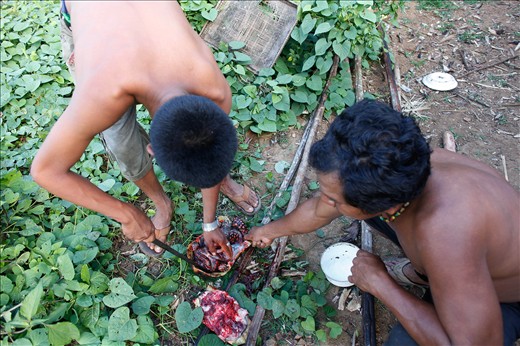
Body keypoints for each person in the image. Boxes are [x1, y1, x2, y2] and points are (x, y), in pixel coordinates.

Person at [246, 100, 520, 345]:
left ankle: (430, 277)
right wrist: (266, 231)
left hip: (504, 300)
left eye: (333, 199)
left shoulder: (446, 233)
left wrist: (380, 283)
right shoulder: (399, 164)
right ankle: (423, 274)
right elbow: (320, 210)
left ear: (384, 205)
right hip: (460, 266)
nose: (326, 202)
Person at [30, 1, 260, 258]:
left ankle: (219, 182)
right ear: (151, 149)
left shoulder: (214, 90)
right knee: (121, 144)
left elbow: (208, 148)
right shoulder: (100, 94)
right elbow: (44, 170)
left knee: (204, 153)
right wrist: (126, 214)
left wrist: (210, 223)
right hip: (92, 28)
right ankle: (161, 203)